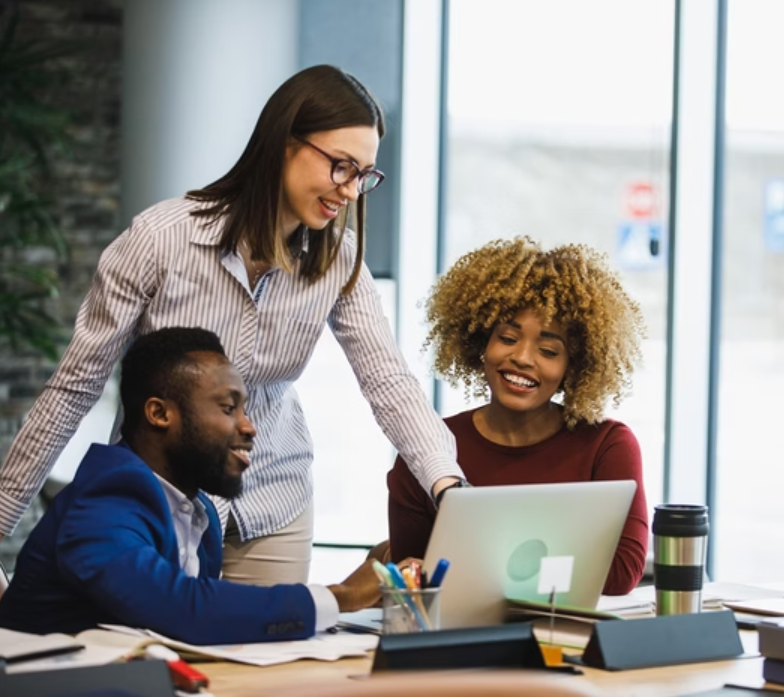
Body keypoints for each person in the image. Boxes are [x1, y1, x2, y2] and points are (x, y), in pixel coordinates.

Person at [0, 65, 465, 585]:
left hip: (272, 499)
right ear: (285, 143)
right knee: (159, 657)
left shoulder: (338, 259)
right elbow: (73, 388)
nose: (352, 191)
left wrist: (446, 484)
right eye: (341, 167)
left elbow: (388, 380)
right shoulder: (161, 240)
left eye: (364, 175)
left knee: (270, 658)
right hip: (161, 497)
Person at [0, 328, 407, 644]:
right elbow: (177, 608)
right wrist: (343, 596)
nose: (249, 427)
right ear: (160, 413)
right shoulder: (106, 499)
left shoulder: (199, 512)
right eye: (229, 408)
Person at [387, 237, 650, 595]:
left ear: (574, 366)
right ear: (480, 343)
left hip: (565, 640)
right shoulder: (427, 448)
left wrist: (476, 562)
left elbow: (620, 575)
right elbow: (415, 578)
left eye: (548, 350)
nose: (523, 358)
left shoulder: (607, 446)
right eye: (508, 338)